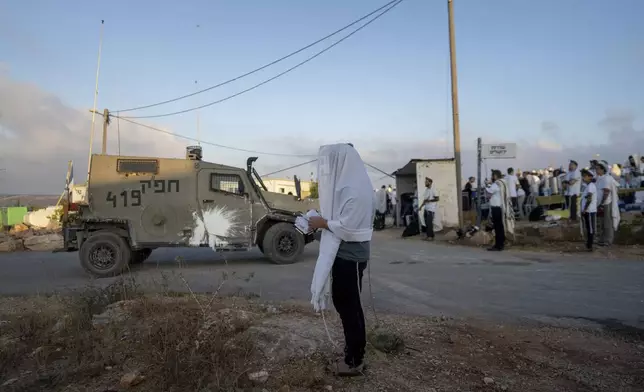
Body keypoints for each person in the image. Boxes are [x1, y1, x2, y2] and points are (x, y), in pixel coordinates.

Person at [308, 143, 374, 377]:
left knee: (350, 307)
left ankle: (354, 360)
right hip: (345, 255)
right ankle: (352, 353)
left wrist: (322, 223)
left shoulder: (355, 191)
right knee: (347, 304)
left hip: (351, 257)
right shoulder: (349, 187)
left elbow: (347, 226)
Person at [486, 169, 514, 251]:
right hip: (502, 206)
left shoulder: (496, 184)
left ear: (495, 176)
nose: (492, 177)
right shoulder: (503, 182)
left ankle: (498, 245)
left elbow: (488, 193)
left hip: (496, 207)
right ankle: (501, 243)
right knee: (500, 226)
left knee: (497, 227)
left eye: (492, 175)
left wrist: (487, 184)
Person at [595, 161, 620, 247]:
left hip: (606, 203)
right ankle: (602, 239)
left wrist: (601, 203)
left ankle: (608, 240)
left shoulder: (606, 178)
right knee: (601, 223)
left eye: (598, 169)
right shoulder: (599, 178)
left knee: (607, 222)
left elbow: (606, 192)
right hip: (600, 204)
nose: (596, 170)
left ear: (603, 169)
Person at [580, 169, 597, 251]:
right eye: (583, 176)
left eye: (585, 176)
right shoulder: (587, 186)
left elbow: (589, 199)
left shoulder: (591, 186)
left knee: (590, 228)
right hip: (587, 210)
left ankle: (590, 245)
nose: (583, 178)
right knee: (588, 227)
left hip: (589, 210)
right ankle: (588, 244)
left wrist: (585, 209)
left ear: (590, 177)